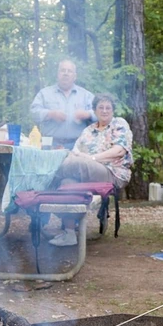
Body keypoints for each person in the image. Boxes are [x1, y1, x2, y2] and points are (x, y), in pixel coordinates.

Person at [48, 93, 133, 247]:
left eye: (108, 107)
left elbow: (119, 151)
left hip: (113, 173)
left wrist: (91, 158)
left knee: (75, 165)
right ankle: (69, 233)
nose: (105, 111)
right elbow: (74, 153)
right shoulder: (88, 130)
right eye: (101, 107)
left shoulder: (119, 124)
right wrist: (80, 158)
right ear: (95, 110)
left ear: (113, 110)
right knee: (67, 183)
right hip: (86, 170)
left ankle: (45, 181)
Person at [30, 59, 95, 149]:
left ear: (75, 76)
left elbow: (100, 114)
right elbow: (34, 113)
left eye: (69, 71)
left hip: (78, 146)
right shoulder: (44, 93)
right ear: (58, 74)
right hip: (50, 145)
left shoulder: (86, 95)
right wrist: (50, 114)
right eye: (63, 70)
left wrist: (88, 114)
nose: (66, 73)